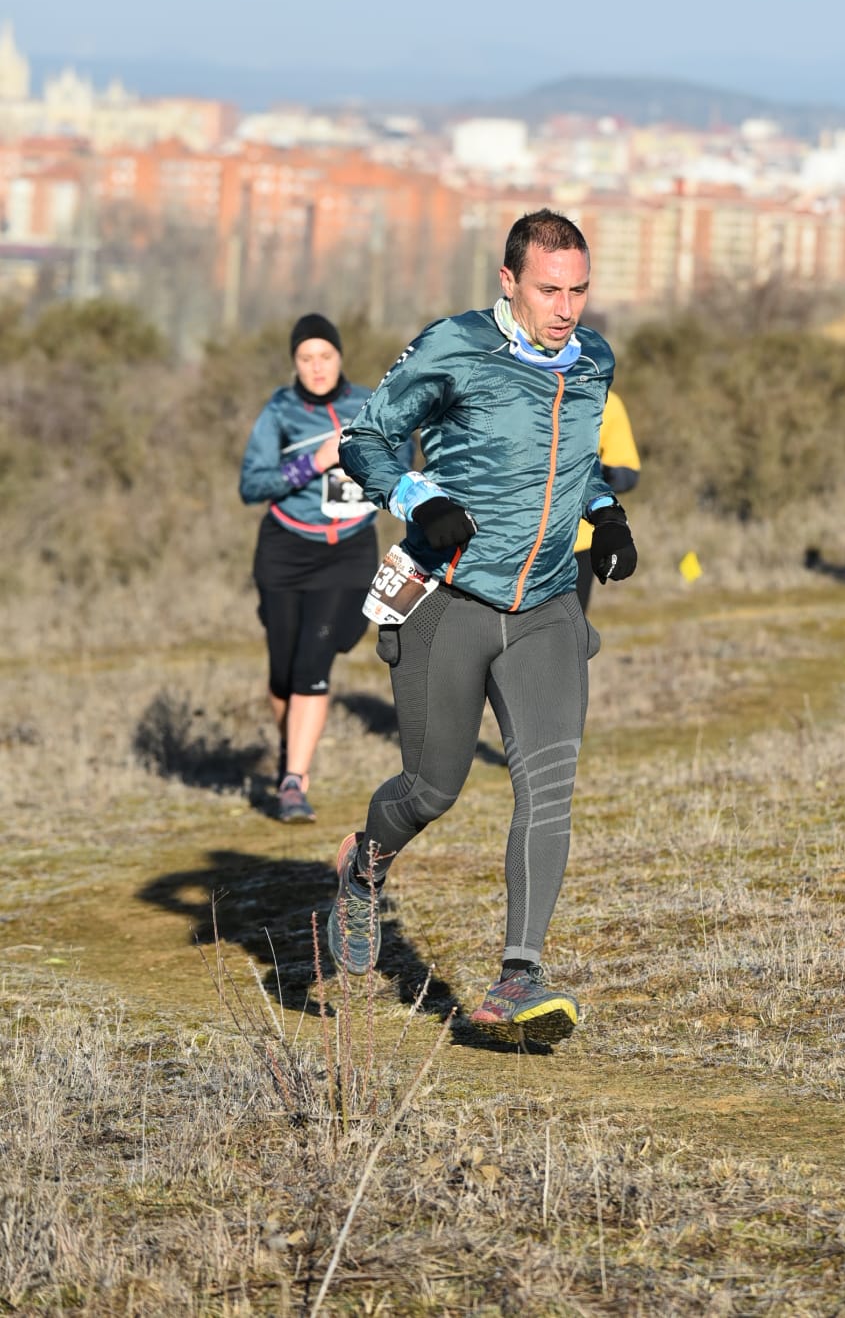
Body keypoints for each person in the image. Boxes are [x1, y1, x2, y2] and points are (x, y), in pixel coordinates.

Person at [328, 209, 638, 1045]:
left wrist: (605, 514)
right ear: (509, 283)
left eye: (578, 289)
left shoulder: (595, 360)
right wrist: (419, 499)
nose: (566, 308)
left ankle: (517, 978)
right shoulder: (454, 347)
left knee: (548, 789)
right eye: (549, 290)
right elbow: (366, 438)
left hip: (544, 607)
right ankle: (364, 869)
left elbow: (574, 467)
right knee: (433, 788)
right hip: (447, 601)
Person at [240, 313, 385, 823]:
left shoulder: (368, 403)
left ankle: (293, 783)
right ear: (294, 363)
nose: (317, 367)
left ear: (340, 357)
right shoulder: (280, 411)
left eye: (325, 356)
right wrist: (313, 463)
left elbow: (403, 457)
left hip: (348, 549)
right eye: (306, 358)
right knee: (283, 672)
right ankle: (291, 756)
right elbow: (251, 485)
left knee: (314, 658)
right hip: (285, 549)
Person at [573, 389, 641, 612]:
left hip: (579, 542)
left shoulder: (608, 402)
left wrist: (594, 472)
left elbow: (628, 474)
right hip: (516, 540)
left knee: (571, 633)